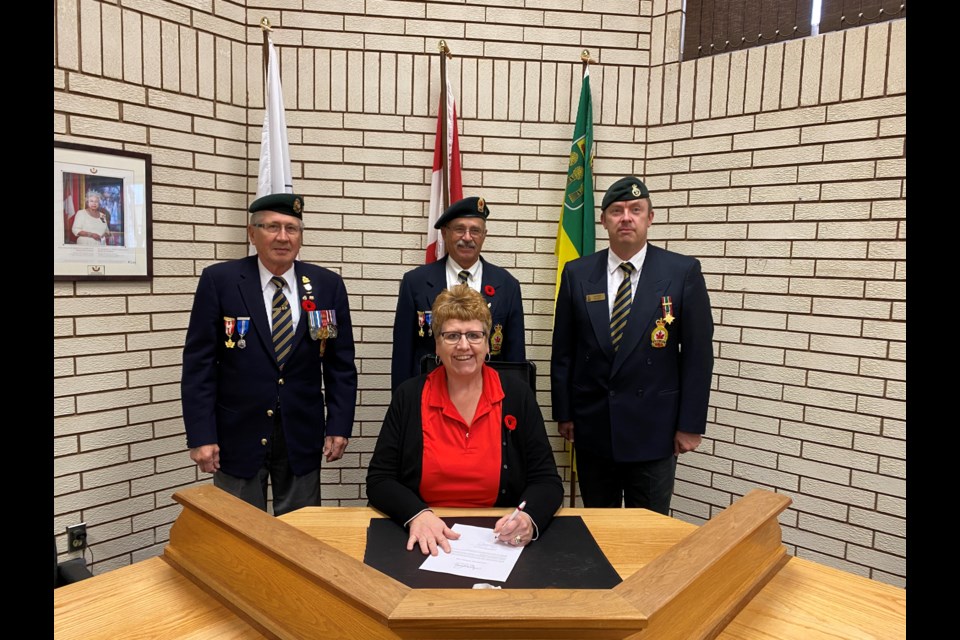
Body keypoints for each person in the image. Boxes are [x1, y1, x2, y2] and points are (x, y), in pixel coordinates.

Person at [181, 193, 358, 516]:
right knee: (238, 529)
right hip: (237, 431)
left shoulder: (326, 285)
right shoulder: (221, 281)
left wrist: (339, 426)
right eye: (272, 227)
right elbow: (199, 366)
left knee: (302, 529)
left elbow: (340, 366)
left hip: (301, 430)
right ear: (252, 233)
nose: (282, 237)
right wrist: (201, 435)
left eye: (292, 228)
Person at [550, 176, 714, 515]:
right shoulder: (577, 273)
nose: (626, 217)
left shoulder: (681, 272)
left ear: (649, 218)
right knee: (599, 526)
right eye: (617, 210)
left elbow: (698, 356)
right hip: (594, 427)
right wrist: (564, 413)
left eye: (635, 210)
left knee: (651, 531)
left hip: (655, 430)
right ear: (604, 220)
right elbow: (564, 351)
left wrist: (690, 425)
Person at [368, 284, 562, 556]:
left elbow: (547, 481)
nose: (463, 345)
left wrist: (528, 518)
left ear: (487, 342)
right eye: (452, 336)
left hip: (497, 537)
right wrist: (416, 514)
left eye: (474, 335)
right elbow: (379, 479)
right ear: (436, 342)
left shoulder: (517, 396)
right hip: (425, 532)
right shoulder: (409, 395)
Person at [391, 196, 526, 392]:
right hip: (428, 396)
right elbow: (403, 355)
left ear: (484, 235)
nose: (468, 237)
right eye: (460, 229)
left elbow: (515, 359)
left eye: (475, 231)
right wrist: (403, 407)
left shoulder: (507, 285)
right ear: (445, 233)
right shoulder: (416, 283)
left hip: (488, 399)